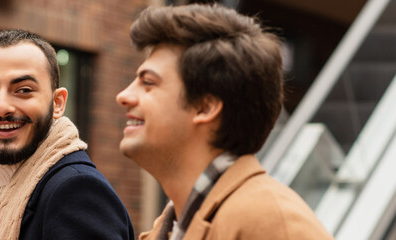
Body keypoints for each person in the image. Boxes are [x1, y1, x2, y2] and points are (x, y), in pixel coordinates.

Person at [116, 4, 332, 240]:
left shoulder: (271, 223)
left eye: (148, 82)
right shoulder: (171, 227)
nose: (124, 96)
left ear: (205, 107)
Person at [0, 29, 134, 239]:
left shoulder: (75, 191)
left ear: (58, 103)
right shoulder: (19, 185)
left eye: (23, 90)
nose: (1, 107)